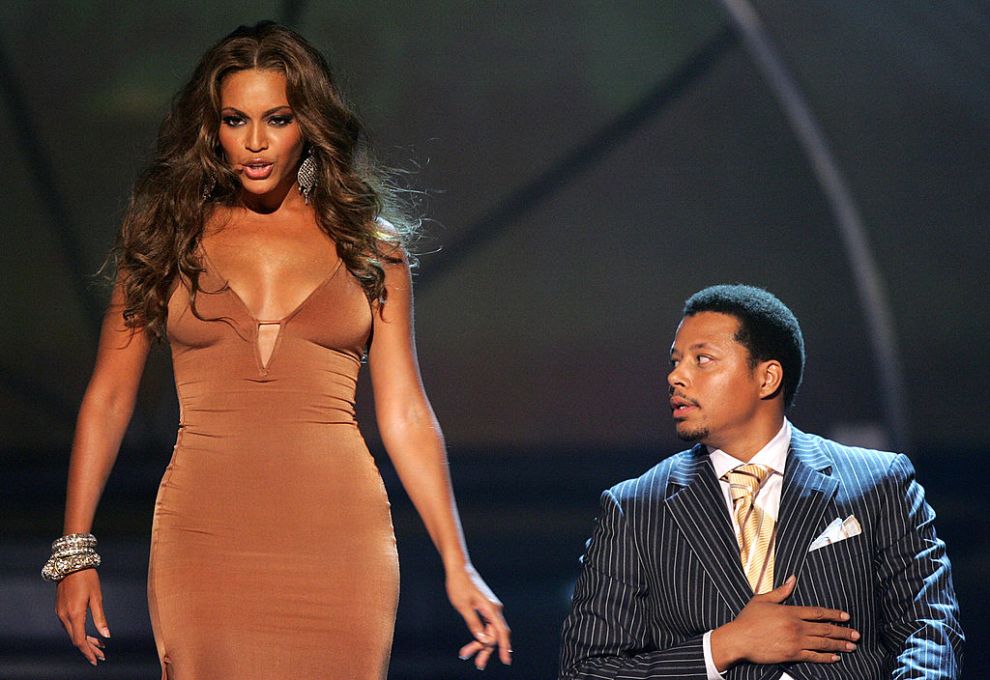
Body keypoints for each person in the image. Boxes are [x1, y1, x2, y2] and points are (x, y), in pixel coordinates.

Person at [46, 21, 510, 678]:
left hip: (338, 535)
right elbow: (109, 395)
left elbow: (405, 414)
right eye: (236, 119)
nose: (256, 142)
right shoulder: (164, 237)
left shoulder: (371, 250)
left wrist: (457, 562)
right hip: (203, 536)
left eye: (278, 118)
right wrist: (76, 548)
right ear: (212, 127)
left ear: (308, 124)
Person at [558, 284, 963, 679]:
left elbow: (928, 630)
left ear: (767, 378)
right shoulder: (633, 507)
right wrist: (725, 645)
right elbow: (587, 670)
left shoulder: (879, 482)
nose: (676, 377)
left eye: (702, 360)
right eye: (675, 361)